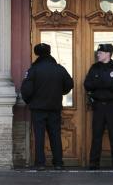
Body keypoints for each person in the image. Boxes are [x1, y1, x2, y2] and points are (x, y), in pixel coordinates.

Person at [21, 43, 74, 171]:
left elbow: (26, 90)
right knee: (55, 135)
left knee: (39, 136)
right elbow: (69, 84)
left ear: (37, 54)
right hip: (54, 108)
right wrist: (59, 92)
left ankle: (40, 163)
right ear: (49, 53)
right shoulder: (59, 68)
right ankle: (58, 163)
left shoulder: (33, 70)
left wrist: (30, 101)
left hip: (38, 109)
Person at [84, 43, 113, 170]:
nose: (98, 54)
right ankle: (93, 163)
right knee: (96, 135)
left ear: (108, 54)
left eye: (101, 53)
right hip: (98, 105)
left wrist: (108, 84)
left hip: (112, 105)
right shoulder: (94, 67)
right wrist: (101, 83)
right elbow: (87, 84)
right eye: (98, 52)